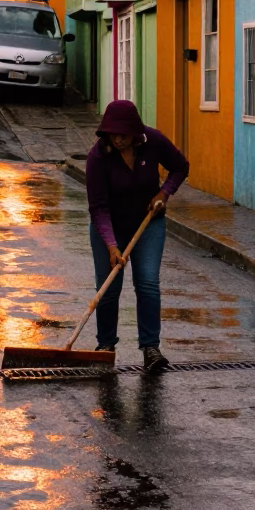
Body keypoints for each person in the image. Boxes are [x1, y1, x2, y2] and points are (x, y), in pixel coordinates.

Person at [86, 99, 189, 374]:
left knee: (147, 283)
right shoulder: (98, 157)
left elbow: (180, 167)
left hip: (147, 224)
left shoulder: (153, 141)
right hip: (109, 227)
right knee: (109, 287)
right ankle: (105, 346)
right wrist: (111, 245)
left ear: (134, 131)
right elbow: (98, 208)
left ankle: (150, 348)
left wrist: (164, 193)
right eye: (112, 134)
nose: (118, 140)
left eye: (123, 134)